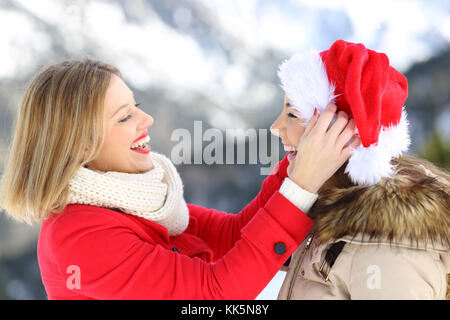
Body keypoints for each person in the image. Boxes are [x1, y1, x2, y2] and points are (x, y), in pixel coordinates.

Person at [0, 59, 360, 299]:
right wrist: (301, 186)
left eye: (136, 105)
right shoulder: (80, 237)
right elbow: (214, 295)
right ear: (78, 145)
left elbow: (233, 236)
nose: (147, 119)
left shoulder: (135, 198)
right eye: (124, 118)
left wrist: (297, 163)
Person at [272, 39, 450, 300]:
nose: (275, 127)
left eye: (293, 114)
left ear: (344, 131)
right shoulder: (330, 208)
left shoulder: (387, 247)